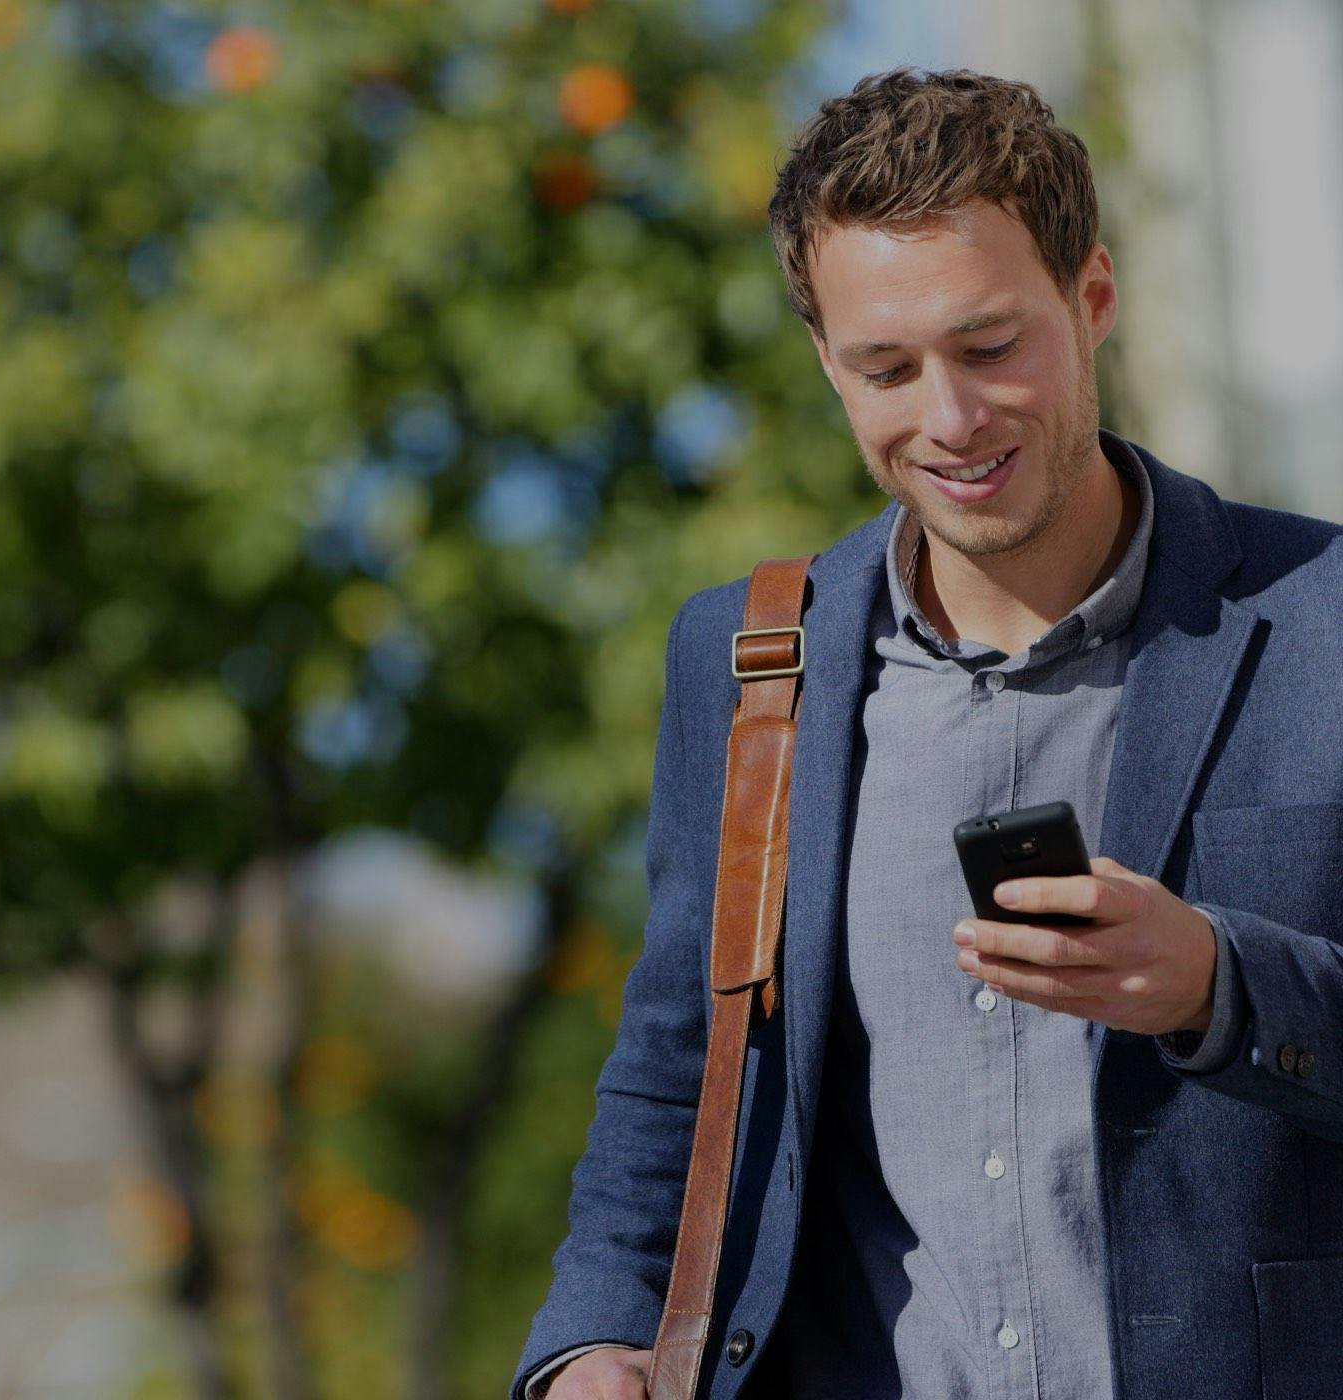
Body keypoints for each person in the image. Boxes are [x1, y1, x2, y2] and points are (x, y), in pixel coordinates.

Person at [510, 67, 1343, 1400]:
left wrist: (1219, 988)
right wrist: (586, 1349)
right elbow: (682, 1066)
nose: (948, 419)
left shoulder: (1324, 621)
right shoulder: (742, 661)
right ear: (826, 363)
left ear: (1095, 301)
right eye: (887, 368)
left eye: (990, 344)